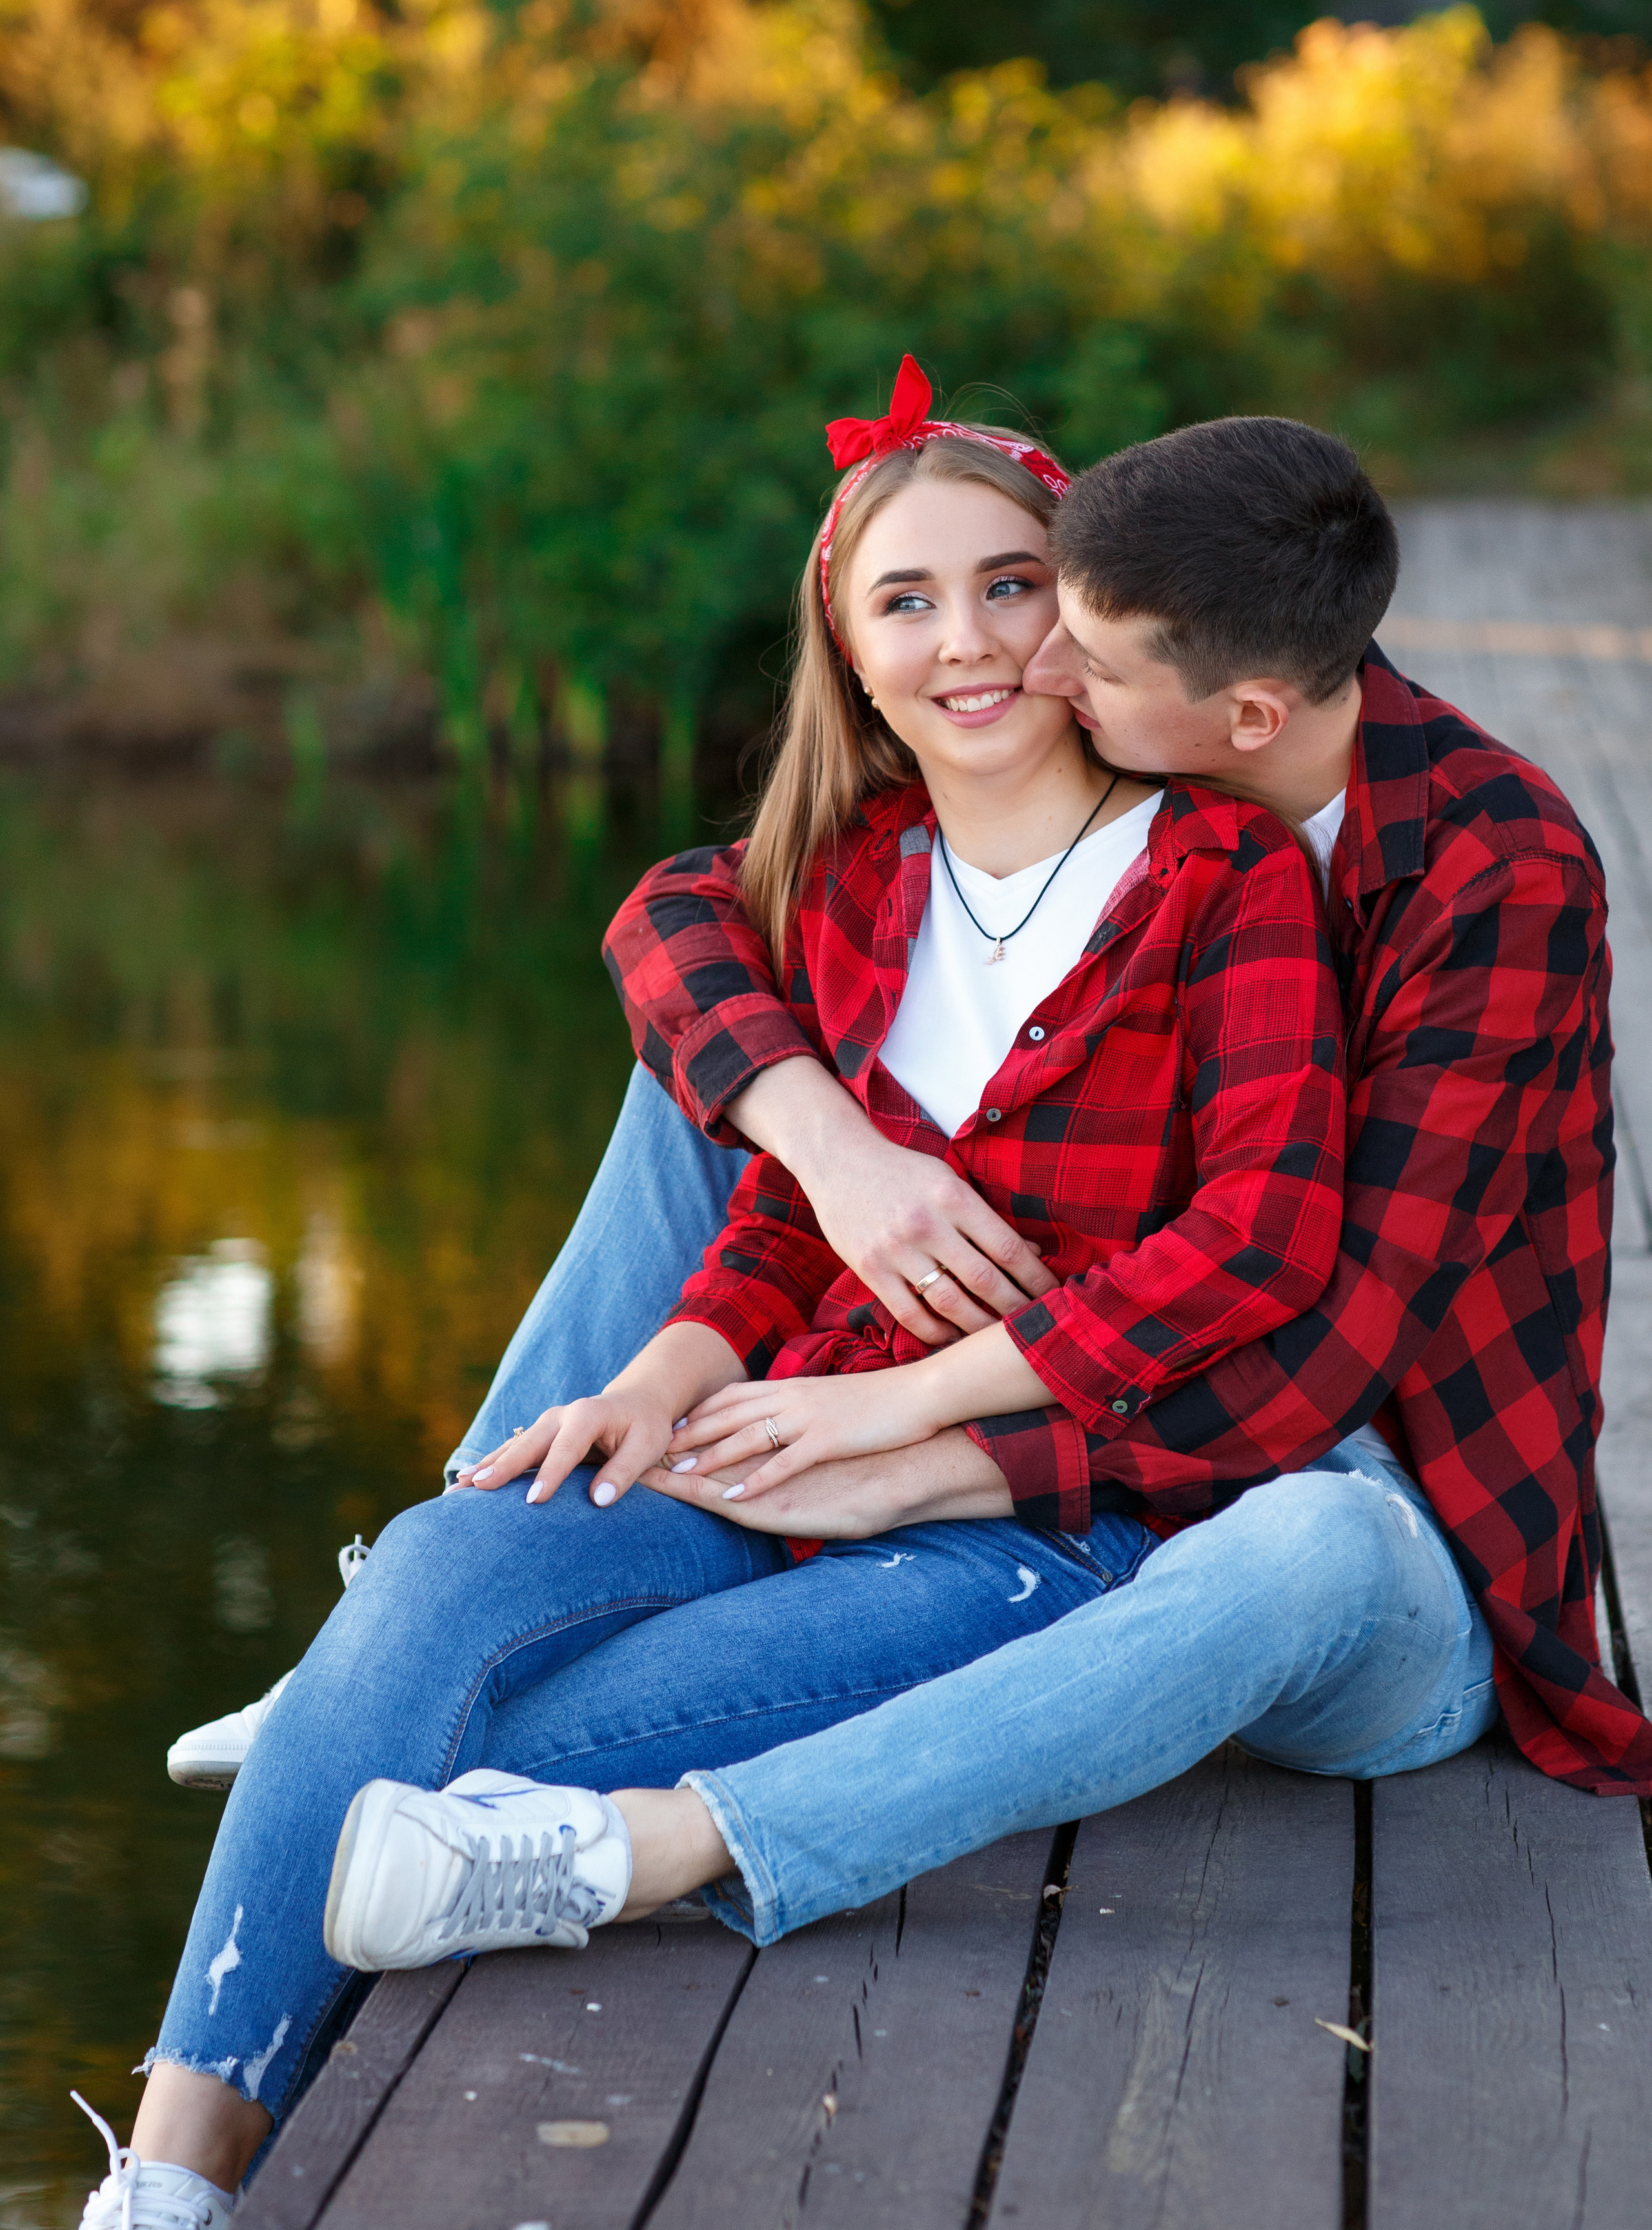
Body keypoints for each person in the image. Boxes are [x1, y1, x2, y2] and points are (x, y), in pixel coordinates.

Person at [78, 365, 1351, 2227]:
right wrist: (666, 1372)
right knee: (449, 1561)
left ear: (1080, 608)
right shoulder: (844, 886)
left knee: (471, 1731)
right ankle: (170, 2188)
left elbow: (1256, 1251)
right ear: (847, 654)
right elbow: (773, 1219)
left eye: (1011, 584)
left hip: (1025, 1522)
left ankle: (343, 1761)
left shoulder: (1226, 879)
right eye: (905, 603)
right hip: (750, 1435)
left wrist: (923, 1408)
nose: (970, 642)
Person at [317, 404, 1652, 1944]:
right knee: (723, 1079)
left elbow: (1327, 1352)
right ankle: (454, 1559)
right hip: (1123, 1432)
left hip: (1377, 1514)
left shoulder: (1492, 872)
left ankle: (656, 1844)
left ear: (1244, 720)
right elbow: (684, 912)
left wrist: (923, 1439)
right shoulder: (1093, 794)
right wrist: (835, 1148)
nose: (1032, 666)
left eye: (1079, 646)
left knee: (1310, 1537)